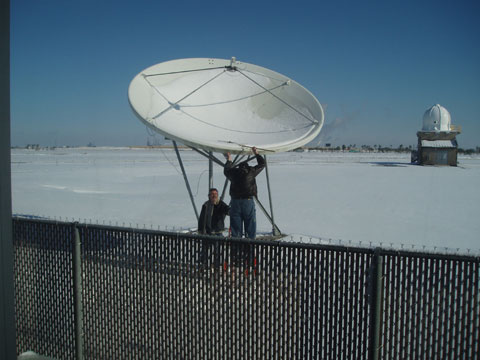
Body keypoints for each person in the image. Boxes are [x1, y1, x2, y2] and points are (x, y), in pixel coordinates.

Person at [223, 146, 265, 239]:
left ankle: (237, 249)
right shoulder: (251, 171)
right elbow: (262, 164)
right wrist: (256, 153)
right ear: (247, 167)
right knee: (250, 226)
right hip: (248, 201)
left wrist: (229, 160)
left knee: (236, 227)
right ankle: (249, 248)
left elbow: (226, 171)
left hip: (235, 202)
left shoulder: (234, 173)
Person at [198, 188, 229, 269]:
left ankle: (218, 266)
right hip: (207, 232)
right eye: (212, 194)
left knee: (219, 251)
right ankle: (203, 265)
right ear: (209, 196)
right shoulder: (206, 205)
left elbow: (227, 210)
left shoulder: (221, 204)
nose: (214, 196)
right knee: (204, 250)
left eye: (215, 194)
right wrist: (200, 229)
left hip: (218, 232)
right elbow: (201, 218)